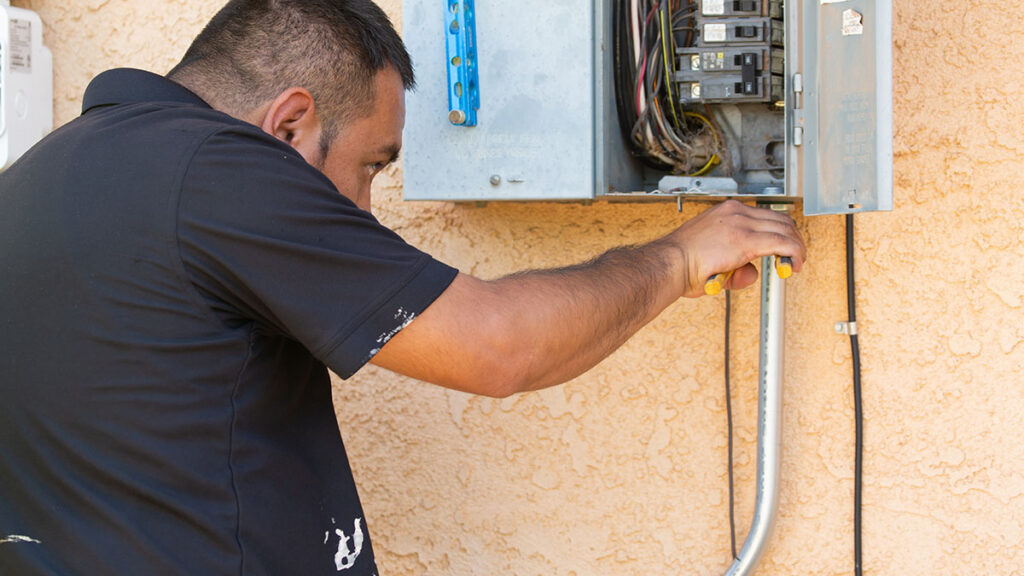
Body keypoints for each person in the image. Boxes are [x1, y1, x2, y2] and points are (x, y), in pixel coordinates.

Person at [0, 0, 805, 574]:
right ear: (289, 124)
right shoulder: (215, 168)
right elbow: (499, 348)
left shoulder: (33, 182)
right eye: (371, 165)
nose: (361, 206)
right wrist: (678, 255)